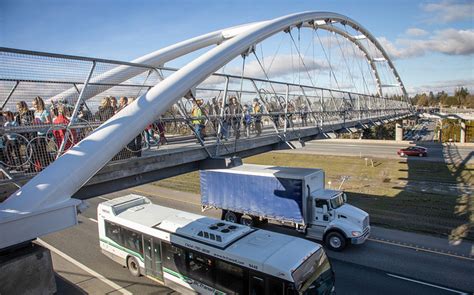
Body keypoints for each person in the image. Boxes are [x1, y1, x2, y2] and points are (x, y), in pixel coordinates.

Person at [31, 96, 54, 171]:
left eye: (35, 104)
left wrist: (41, 123)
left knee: (45, 150)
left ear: (39, 104)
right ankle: (46, 164)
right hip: (39, 133)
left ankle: (49, 164)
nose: (34, 106)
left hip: (47, 133)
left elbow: (50, 122)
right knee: (41, 150)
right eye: (33, 104)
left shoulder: (45, 111)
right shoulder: (35, 113)